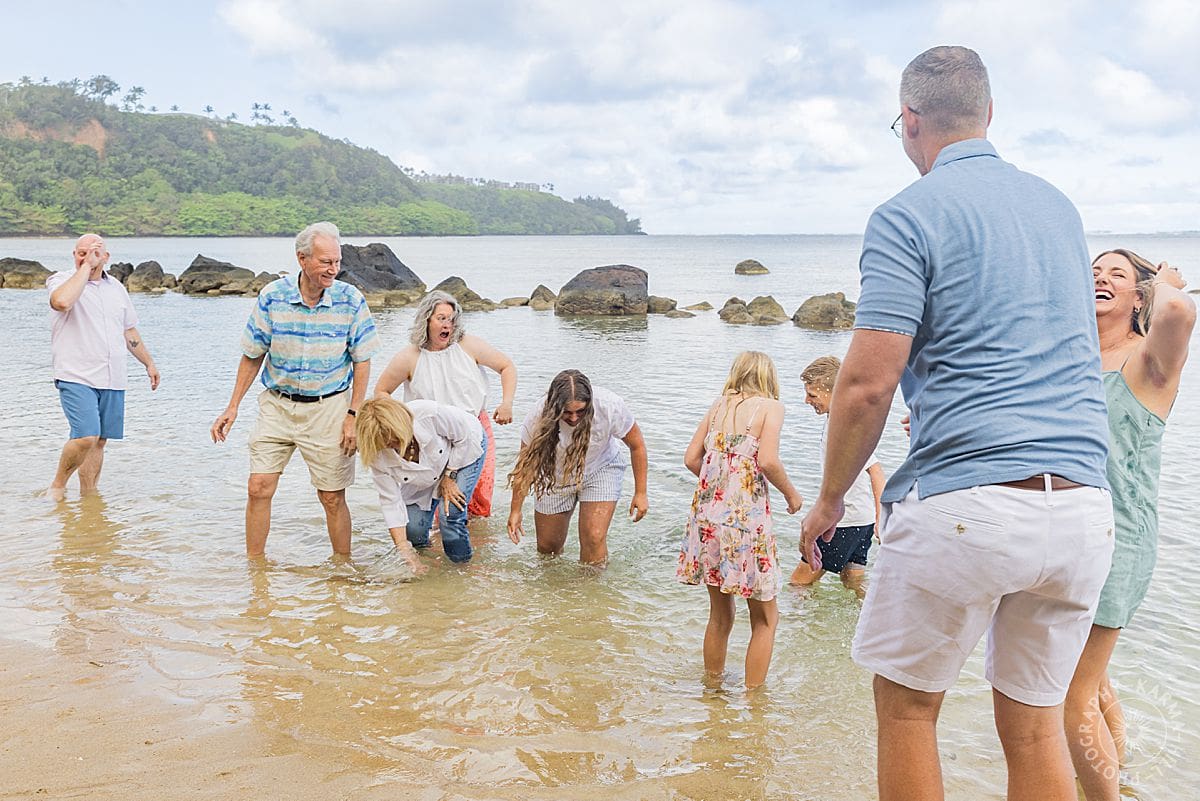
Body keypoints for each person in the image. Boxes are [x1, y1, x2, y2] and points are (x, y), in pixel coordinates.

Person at [799, 47, 1114, 801]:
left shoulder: (907, 214)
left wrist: (831, 498)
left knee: (907, 709)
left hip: (968, 503)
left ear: (909, 123)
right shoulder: (1059, 208)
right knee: (1035, 728)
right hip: (1081, 507)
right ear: (989, 114)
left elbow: (868, 384)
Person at [1065, 251, 1194, 800]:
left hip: (1120, 538)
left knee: (1070, 695)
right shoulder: (1067, 361)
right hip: (1064, 531)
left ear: (1137, 298)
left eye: (1117, 274)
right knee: (1094, 681)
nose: (1101, 278)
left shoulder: (1146, 360)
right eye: (1094, 270)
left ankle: (1103, 794)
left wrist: (1164, 285)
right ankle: (1122, 771)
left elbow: (1180, 316)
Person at [210, 222, 379, 557]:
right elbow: (252, 354)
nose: (333, 269)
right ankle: (256, 572)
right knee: (258, 487)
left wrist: (353, 415)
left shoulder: (351, 301)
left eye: (337, 261)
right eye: (325, 262)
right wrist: (232, 406)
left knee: (331, 497)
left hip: (329, 407)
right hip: (277, 405)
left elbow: (363, 360)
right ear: (302, 259)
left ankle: (342, 570)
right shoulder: (272, 296)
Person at [676, 352, 803, 689]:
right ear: (768, 377)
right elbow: (769, 461)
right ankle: (753, 699)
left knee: (719, 615)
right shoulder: (770, 408)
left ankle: (713, 690)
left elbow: (691, 458)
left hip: (706, 520)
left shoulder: (718, 405)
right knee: (765, 619)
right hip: (746, 522)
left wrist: (718, 483)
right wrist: (792, 495)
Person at [374, 290, 516, 518]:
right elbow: (381, 392)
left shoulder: (468, 345)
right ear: (426, 319)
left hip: (474, 428)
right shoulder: (409, 357)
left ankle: (477, 549)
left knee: (475, 502)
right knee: (440, 503)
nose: (447, 325)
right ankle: (437, 545)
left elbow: (506, 366)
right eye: (441, 318)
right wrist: (398, 423)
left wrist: (506, 402)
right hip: (431, 436)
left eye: (452, 319)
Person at [46, 234, 160, 500]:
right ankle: (58, 485)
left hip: (112, 377)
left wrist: (149, 363)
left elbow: (128, 330)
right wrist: (86, 267)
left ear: (107, 257)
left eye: (94, 253)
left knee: (99, 441)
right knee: (86, 436)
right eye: (81, 253)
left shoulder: (116, 288)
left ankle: (89, 498)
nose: (87, 257)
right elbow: (61, 302)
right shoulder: (61, 280)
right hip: (76, 374)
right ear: (74, 254)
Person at [506, 370, 647, 565]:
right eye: (567, 412)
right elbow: (526, 465)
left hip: (601, 468)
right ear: (554, 407)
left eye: (580, 411)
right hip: (555, 473)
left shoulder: (609, 405)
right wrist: (515, 510)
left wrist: (641, 492)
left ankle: (591, 589)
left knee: (594, 536)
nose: (573, 418)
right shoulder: (538, 415)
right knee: (548, 549)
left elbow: (637, 445)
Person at [790, 356, 884, 595]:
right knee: (853, 585)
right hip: (861, 520)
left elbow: (875, 470)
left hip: (846, 520)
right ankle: (864, 628)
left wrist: (882, 515)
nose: (806, 400)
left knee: (799, 582)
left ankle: (794, 629)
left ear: (834, 391)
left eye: (812, 394)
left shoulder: (842, 425)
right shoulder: (847, 419)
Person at [355, 396, 488, 564]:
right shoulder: (375, 455)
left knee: (450, 513)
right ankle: (428, 564)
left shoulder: (428, 413)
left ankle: (461, 566)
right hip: (424, 475)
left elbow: (464, 439)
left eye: (394, 437)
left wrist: (450, 475)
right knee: (412, 530)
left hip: (464, 448)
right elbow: (391, 502)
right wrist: (404, 549)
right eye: (386, 443)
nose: (393, 444)